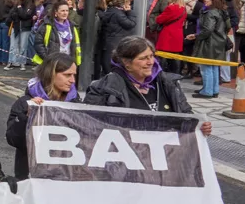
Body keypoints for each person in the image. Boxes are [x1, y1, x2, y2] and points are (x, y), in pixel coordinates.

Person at [85, 36, 213, 138]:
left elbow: (185, 114)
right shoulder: (103, 89)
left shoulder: (169, 84)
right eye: (143, 58)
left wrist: (198, 126)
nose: (150, 62)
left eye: (151, 56)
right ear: (126, 63)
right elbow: (89, 125)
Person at [5, 52, 80, 180]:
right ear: (51, 74)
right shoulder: (25, 103)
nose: (72, 80)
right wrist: (27, 117)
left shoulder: (76, 104)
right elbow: (13, 140)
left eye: (74, 75)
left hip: (65, 176)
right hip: (31, 176)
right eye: (67, 75)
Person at [190, 0, 231, 99]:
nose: (205, 0)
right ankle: (213, 89)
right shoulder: (222, 12)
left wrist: (196, 36)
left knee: (206, 67)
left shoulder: (210, 13)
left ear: (214, 0)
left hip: (209, 42)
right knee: (214, 66)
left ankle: (207, 91)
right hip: (219, 42)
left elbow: (208, 29)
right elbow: (228, 27)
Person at [32, 1, 82, 67]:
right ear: (56, 12)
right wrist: (47, 59)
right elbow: (38, 44)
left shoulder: (72, 26)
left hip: (68, 62)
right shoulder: (47, 25)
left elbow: (76, 45)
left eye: (67, 10)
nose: (65, 13)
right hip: (51, 63)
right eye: (62, 11)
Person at [99, 0, 136, 76]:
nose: (129, 5)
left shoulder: (111, 11)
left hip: (110, 41)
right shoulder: (118, 14)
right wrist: (129, 12)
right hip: (116, 41)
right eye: (128, 3)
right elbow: (130, 24)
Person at [154, 0, 188, 74]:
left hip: (168, 33)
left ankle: (161, 73)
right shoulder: (183, 8)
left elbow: (159, 20)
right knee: (175, 55)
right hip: (178, 33)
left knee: (163, 54)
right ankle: (176, 73)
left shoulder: (171, 8)